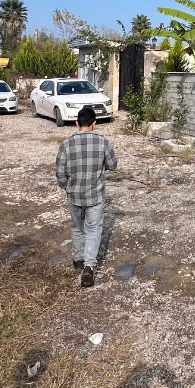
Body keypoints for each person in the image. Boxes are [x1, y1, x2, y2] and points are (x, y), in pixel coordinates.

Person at [56, 106, 118, 287]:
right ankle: (89, 267)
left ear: (77, 123)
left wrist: (67, 187)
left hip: (74, 195)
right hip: (95, 196)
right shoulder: (103, 142)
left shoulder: (66, 145)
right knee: (93, 230)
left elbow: (60, 173)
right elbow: (113, 165)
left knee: (77, 227)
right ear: (94, 124)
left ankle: (78, 260)